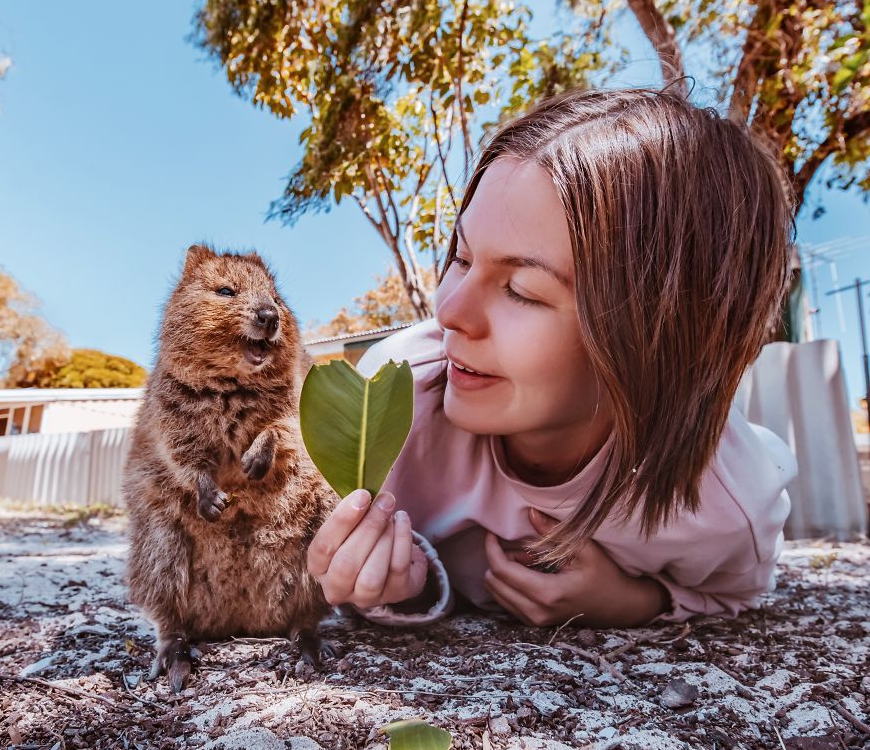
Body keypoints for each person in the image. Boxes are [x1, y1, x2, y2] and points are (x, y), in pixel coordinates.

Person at [306, 87, 798, 629]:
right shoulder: (394, 409)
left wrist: (635, 600)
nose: (450, 311)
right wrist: (392, 585)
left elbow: (741, 592)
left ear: (663, 336)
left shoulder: (724, 503)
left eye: (522, 290)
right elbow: (335, 570)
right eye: (462, 259)